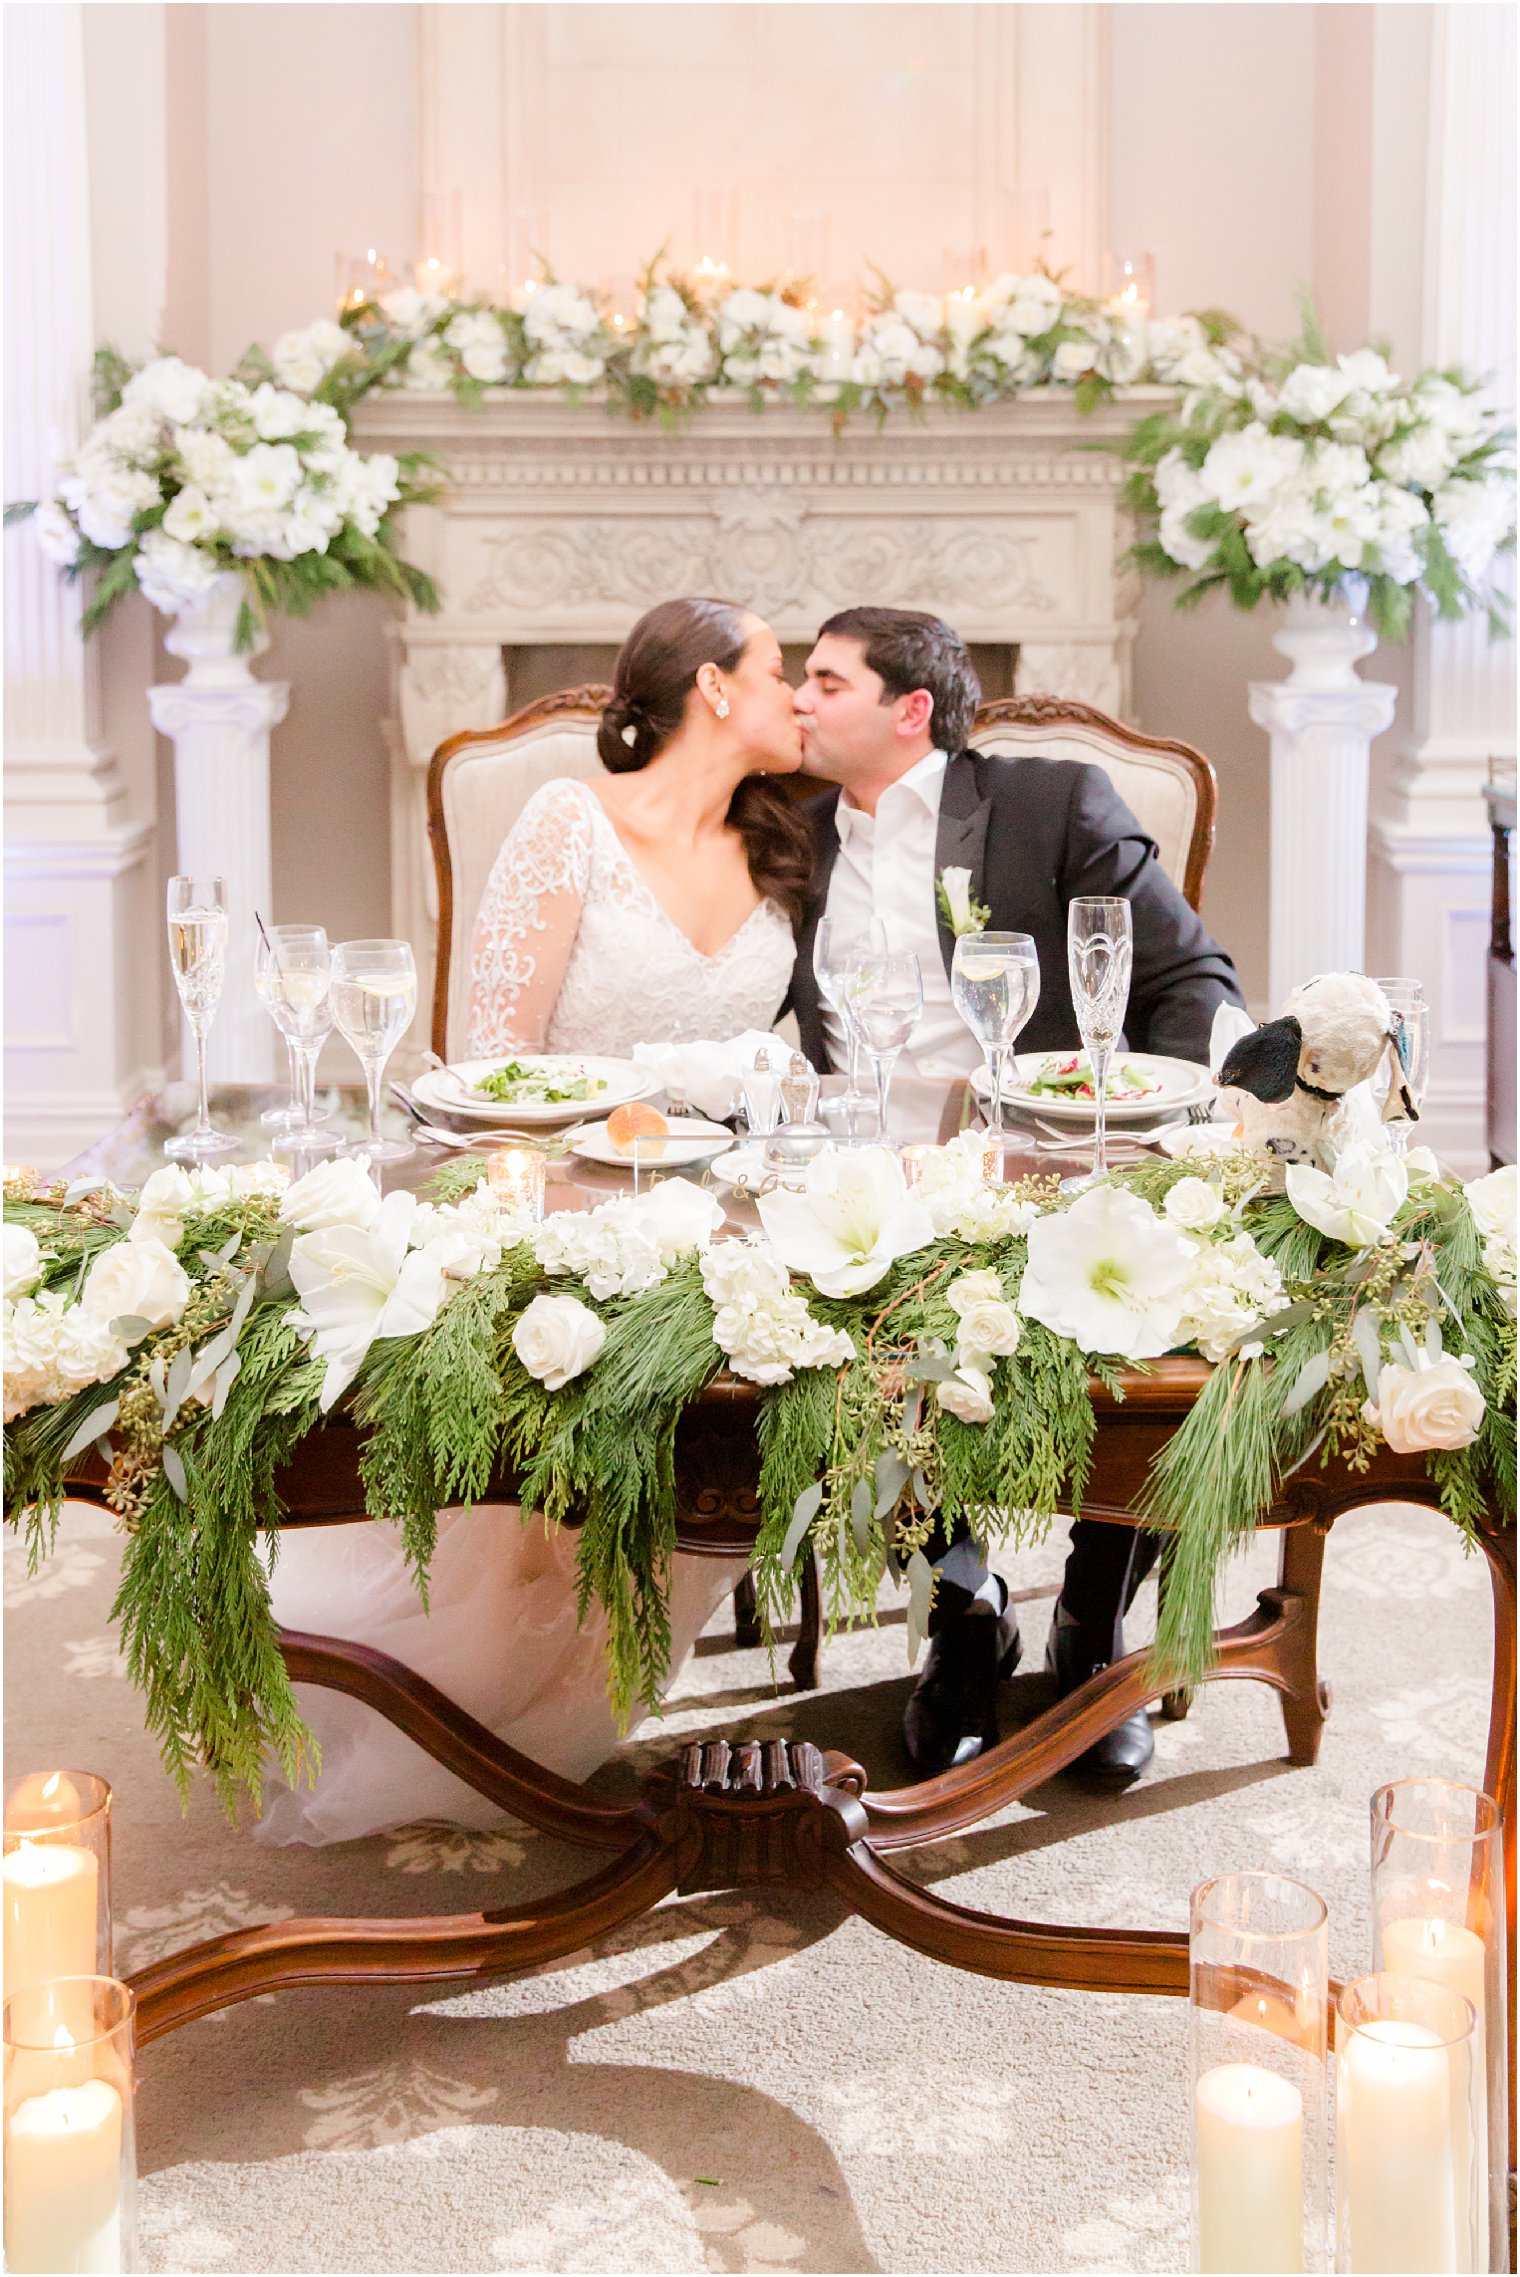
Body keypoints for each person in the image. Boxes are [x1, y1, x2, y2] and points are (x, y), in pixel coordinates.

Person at [259, 597, 810, 1844]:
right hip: (560, 1201)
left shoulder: (787, 837)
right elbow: (491, 1065)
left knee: (770, 1380)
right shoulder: (568, 822)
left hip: (726, 1213)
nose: (796, 698)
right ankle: (474, 1710)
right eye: (778, 672)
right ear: (714, 689)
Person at [790, 605, 1245, 1790]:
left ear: (908, 711)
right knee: (828, 1333)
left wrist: (1156, 1138)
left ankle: (1092, 1627)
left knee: (1156, 1313)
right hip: (860, 1172)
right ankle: (963, 1610)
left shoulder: (1048, 802)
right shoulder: (786, 834)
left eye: (825, 682)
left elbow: (1189, 976)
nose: (797, 699)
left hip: (1050, 1158)